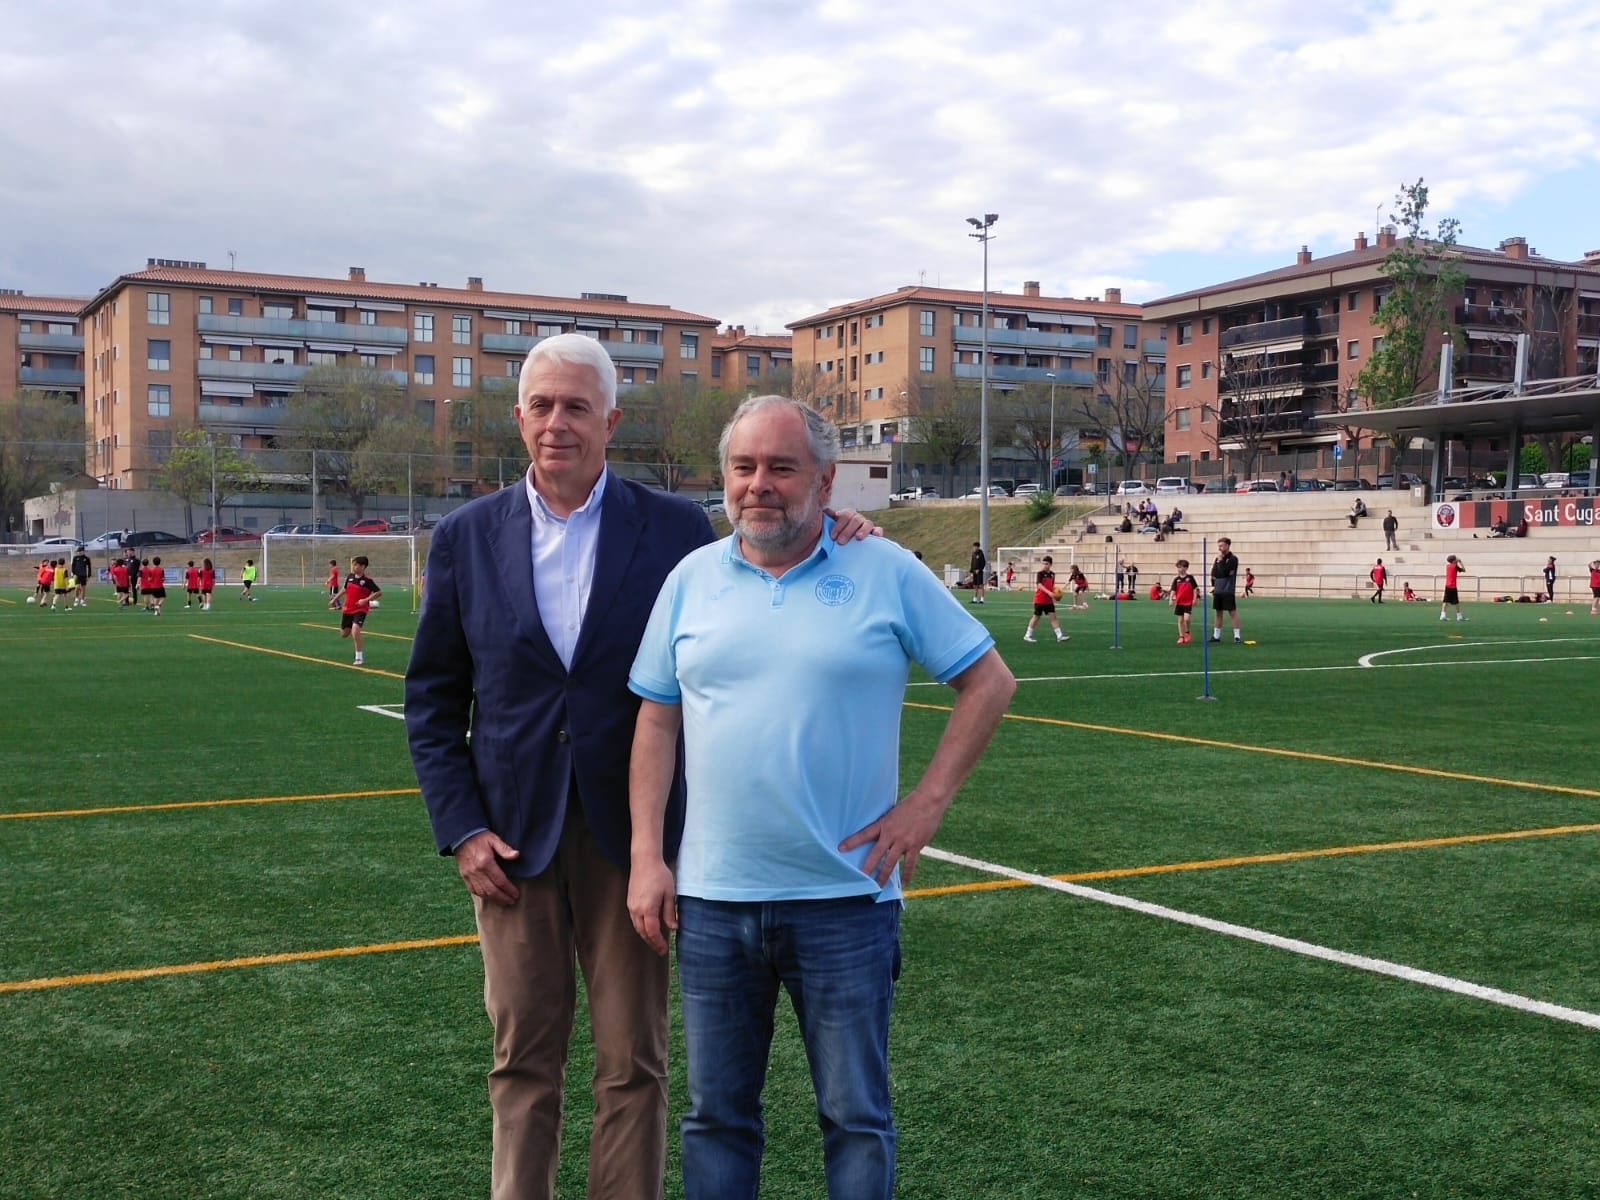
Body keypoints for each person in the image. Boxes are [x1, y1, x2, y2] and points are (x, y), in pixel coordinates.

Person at [405, 335, 873, 1200]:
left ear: (610, 420)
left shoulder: (671, 528)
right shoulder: (466, 538)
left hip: (636, 840)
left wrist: (842, 529)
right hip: (510, 844)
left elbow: (768, 558)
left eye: (576, 406)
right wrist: (463, 829)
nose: (557, 424)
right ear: (519, 420)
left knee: (634, 1061)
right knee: (521, 1061)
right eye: (542, 406)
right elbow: (433, 700)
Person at [625, 395, 1016, 1200]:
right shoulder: (690, 581)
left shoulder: (884, 568)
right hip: (714, 900)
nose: (758, 484)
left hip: (846, 900)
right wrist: (645, 858)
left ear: (826, 480)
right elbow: (656, 724)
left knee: (855, 1118)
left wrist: (926, 806)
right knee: (716, 1118)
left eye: (781, 467)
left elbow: (988, 681)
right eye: (744, 467)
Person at [338, 555, 382, 665]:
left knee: (355, 630)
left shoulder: (367, 581)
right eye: (353, 564)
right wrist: (335, 598)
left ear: (363, 567)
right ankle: (348, 632)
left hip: (360, 609)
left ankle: (359, 657)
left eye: (356, 564)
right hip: (347, 609)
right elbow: (345, 589)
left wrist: (366, 600)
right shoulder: (350, 577)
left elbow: (378, 592)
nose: (353, 566)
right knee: (344, 634)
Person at [1025, 554, 1069, 643]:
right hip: (1040, 599)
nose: (1044, 565)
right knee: (1036, 617)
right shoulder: (1040, 573)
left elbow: (1051, 586)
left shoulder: (1052, 574)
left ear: (1050, 564)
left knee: (1053, 617)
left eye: (1046, 564)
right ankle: (1027, 635)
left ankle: (1059, 636)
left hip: (1048, 600)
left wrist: (1057, 594)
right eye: (1043, 564)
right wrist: (1049, 593)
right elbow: (1039, 585)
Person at [1211, 537, 1242, 642]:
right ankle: (1216, 636)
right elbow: (1214, 573)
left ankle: (1237, 636)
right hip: (1218, 589)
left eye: (1222, 545)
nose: (1219, 548)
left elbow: (1225, 572)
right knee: (1218, 612)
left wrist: (1220, 563)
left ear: (1228, 545)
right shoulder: (1218, 559)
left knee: (1232, 612)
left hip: (1228, 589)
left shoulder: (1233, 559)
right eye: (1218, 546)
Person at [1170, 559, 1198, 644]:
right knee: (1180, 620)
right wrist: (1171, 599)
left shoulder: (1190, 578)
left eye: (1180, 567)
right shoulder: (1176, 579)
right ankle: (1181, 637)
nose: (1179, 569)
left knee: (1187, 618)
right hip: (1179, 602)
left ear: (1185, 568)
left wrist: (1195, 598)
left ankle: (1187, 632)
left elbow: (1195, 589)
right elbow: (1173, 590)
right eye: (1178, 567)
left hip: (1188, 602)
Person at [1440, 554, 1466, 621]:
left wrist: (1456, 562)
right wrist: (1460, 562)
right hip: (1453, 586)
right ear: (1454, 560)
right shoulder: (1455, 566)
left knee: (1445, 601)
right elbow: (1464, 570)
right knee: (1456, 602)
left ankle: (1443, 615)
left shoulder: (1448, 566)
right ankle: (1459, 616)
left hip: (1447, 586)